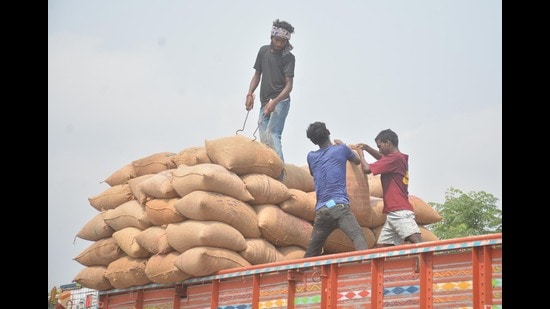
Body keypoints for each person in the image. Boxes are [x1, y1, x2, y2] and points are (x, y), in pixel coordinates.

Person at [303, 121, 368, 258]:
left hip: (322, 210)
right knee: (357, 236)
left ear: (314, 141)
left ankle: (301, 275)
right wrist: (343, 145)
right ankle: (367, 267)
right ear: (328, 132)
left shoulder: (311, 156)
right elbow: (356, 161)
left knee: (312, 251)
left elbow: (313, 173)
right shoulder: (341, 149)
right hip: (340, 207)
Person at [354, 129, 423, 247]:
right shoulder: (398, 158)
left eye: (380, 146)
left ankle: (429, 262)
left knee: (416, 239)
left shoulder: (394, 159)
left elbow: (366, 169)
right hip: (392, 213)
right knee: (381, 249)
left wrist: (360, 153)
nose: (379, 149)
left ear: (388, 143)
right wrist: (368, 148)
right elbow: (382, 158)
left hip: (399, 210)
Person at [245, 19, 295, 163]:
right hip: (264, 102)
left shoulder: (289, 58)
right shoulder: (263, 51)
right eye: (277, 40)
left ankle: (281, 170)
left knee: (273, 134)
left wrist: (275, 102)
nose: (279, 44)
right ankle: (268, 168)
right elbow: (257, 75)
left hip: (281, 102)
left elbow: (289, 85)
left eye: (283, 41)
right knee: (264, 139)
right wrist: (249, 94)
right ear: (271, 37)